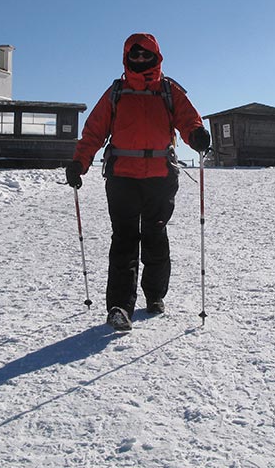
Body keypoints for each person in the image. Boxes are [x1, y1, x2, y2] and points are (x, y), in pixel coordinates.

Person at [65, 33, 211, 331]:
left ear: (157, 57)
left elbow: (188, 119)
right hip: (122, 178)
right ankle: (119, 306)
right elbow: (94, 130)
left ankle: (155, 296)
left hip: (160, 176)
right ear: (127, 57)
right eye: (136, 55)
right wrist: (79, 162)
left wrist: (196, 134)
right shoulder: (116, 92)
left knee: (156, 237)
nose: (141, 60)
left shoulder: (169, 90)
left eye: (147, 55)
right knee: (124, 240)